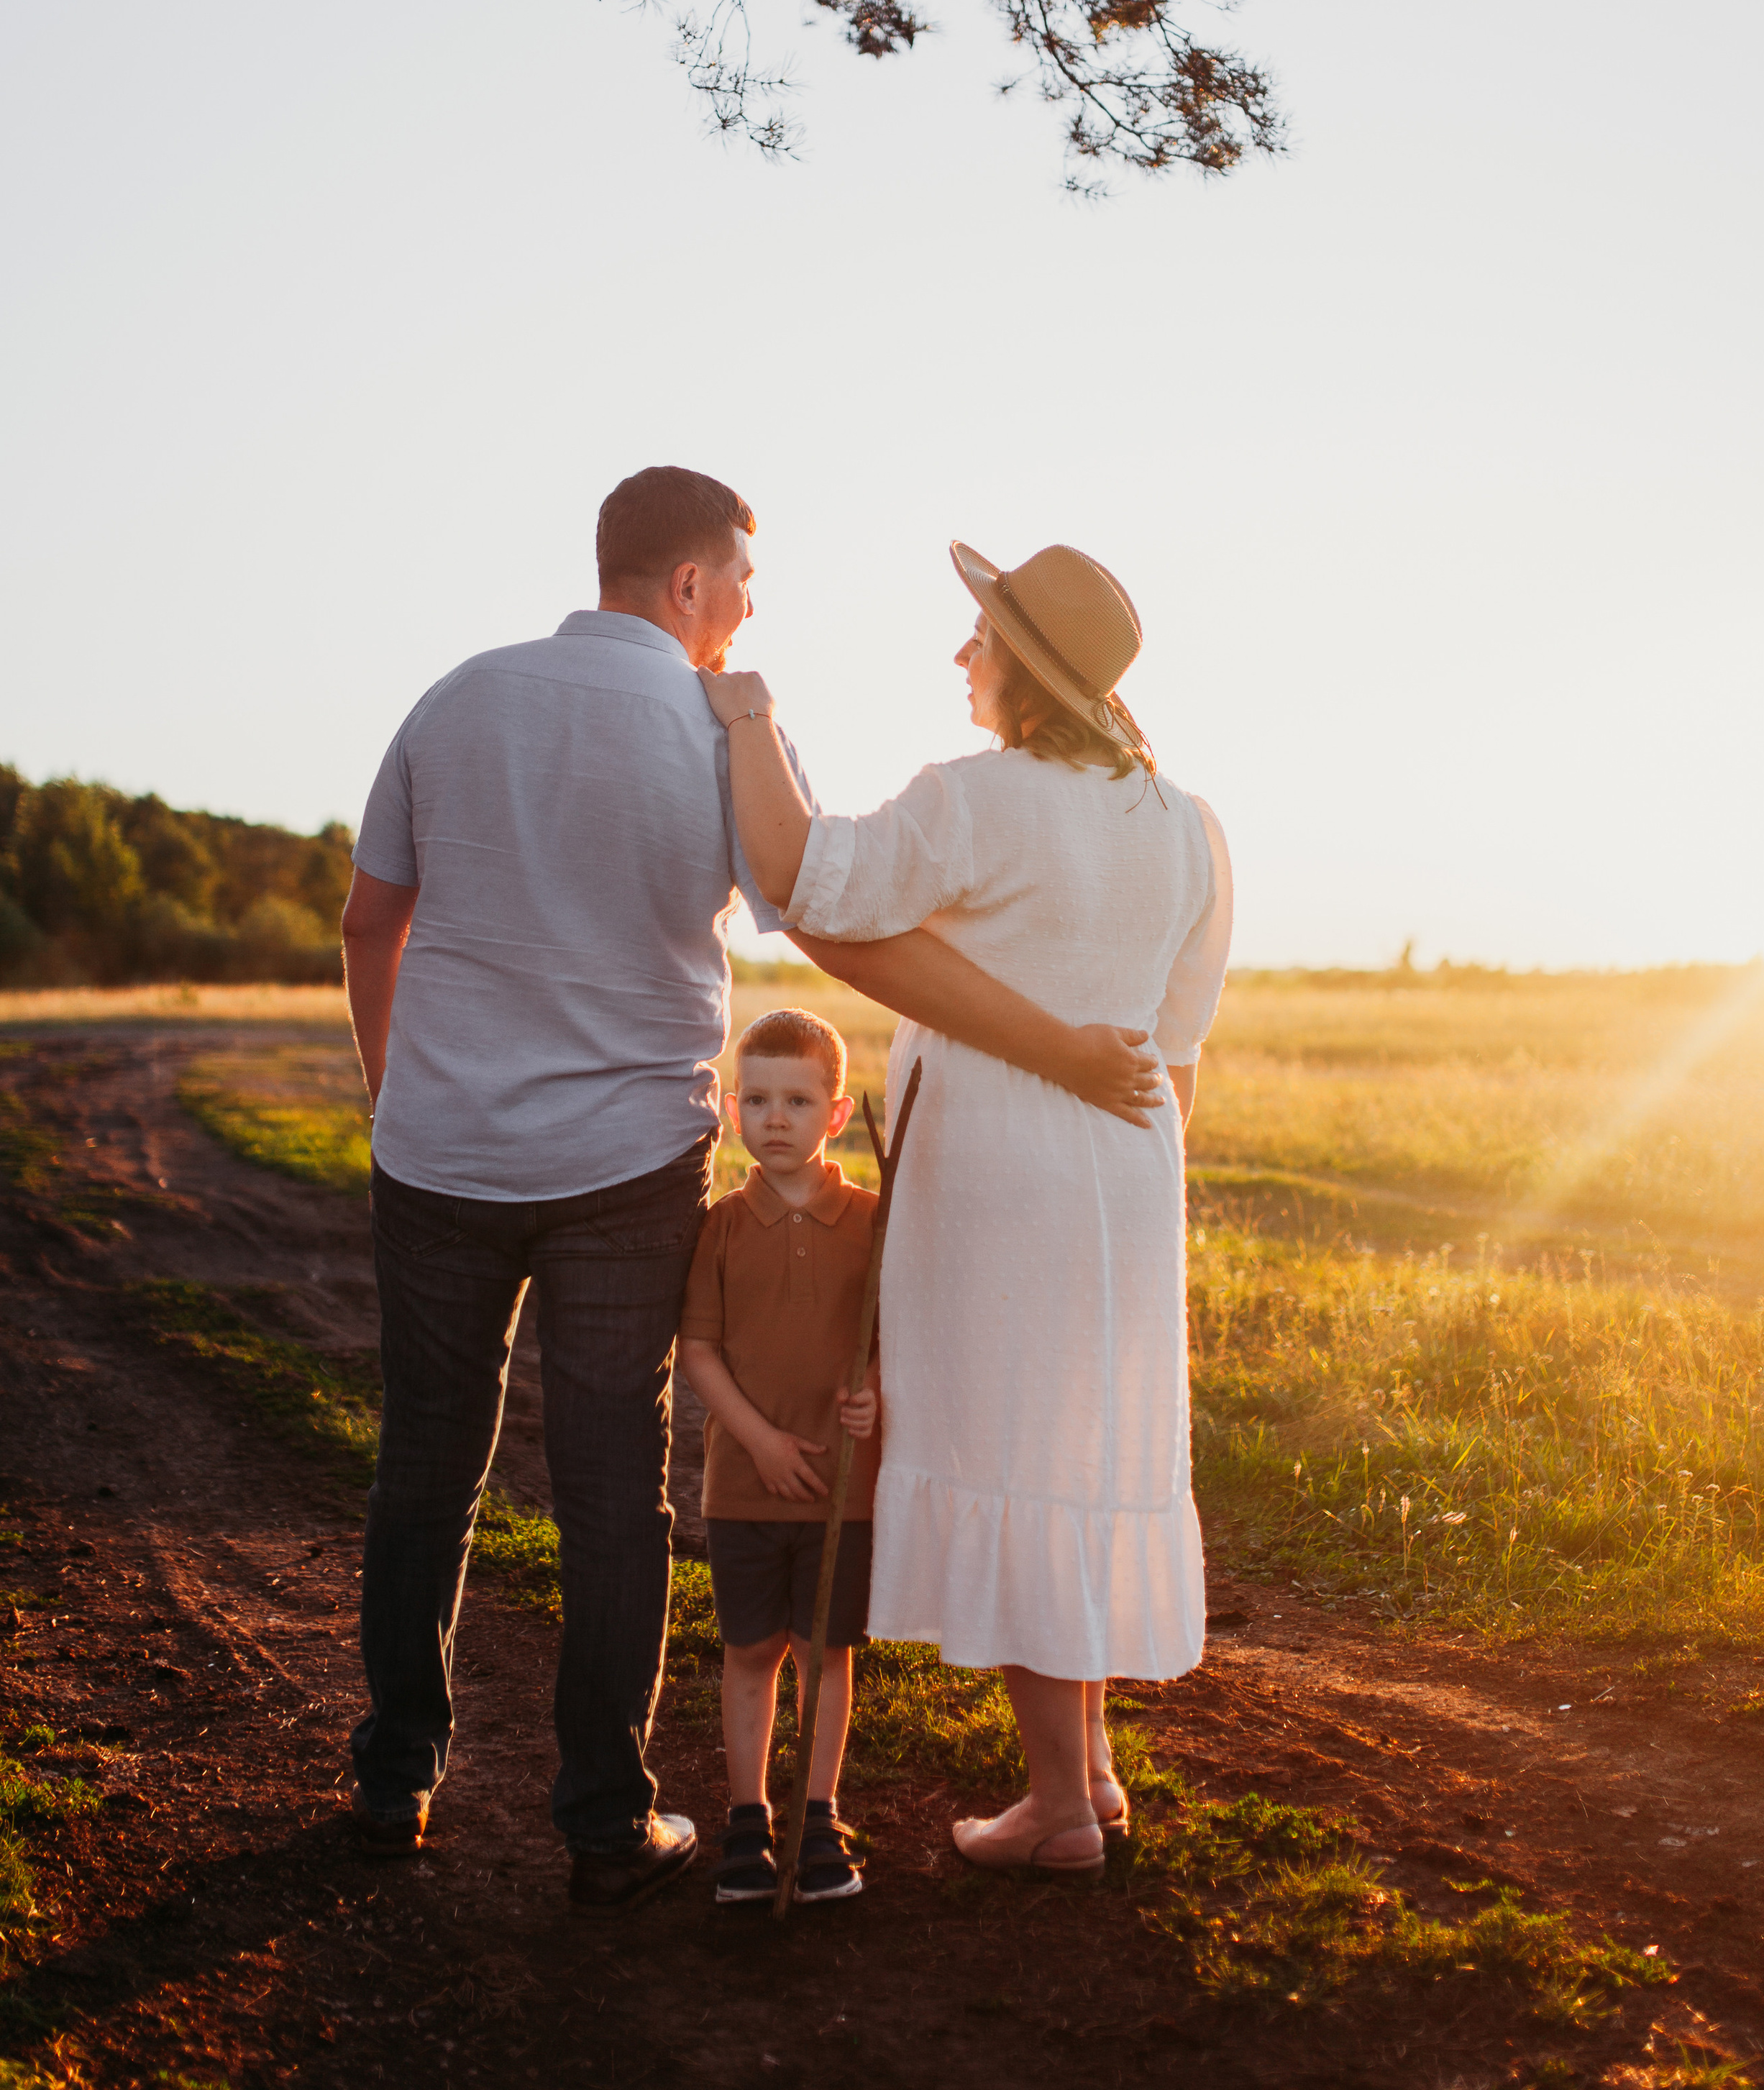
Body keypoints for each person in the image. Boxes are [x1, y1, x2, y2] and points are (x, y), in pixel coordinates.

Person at [341, 469, 1169, 1908]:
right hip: (621, 1168)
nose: (746, 615)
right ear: (688, 587)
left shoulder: (453, 697)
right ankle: (605, 1815)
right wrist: (1047, 1042)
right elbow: (832, 929)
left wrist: (394, 1092)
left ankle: (394, 1774)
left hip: (438, 1157)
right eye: (740, 585)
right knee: (607, 1478)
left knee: (426, 1457)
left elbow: (371, 921)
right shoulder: (721, 727)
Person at [703, 537, 1234, 1879]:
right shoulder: (1188, 826)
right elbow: (1177, 1056)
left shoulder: (978, 800)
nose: (961, 657)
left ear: (1024, 671)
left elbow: (799, 871)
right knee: (1077, 1459)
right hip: (1129, 1172)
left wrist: (747, 711)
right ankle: (1093, 1777)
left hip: (1003, 1170)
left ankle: (1057, 1810)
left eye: (978, 637)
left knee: (1014, 1458)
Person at [677, 1007, 878, 1905]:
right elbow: (700, 1351)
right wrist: (756, 1440)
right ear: (729, 1108)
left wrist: (883, 1391)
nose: (776, 1118)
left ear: (836, 1113)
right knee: (753, 1648)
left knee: (825, 1650)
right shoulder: (720, 1226)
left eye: (797, 1100)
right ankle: (748, 1821)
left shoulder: (875, 1222)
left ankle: (820, 1817)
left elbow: (896, 1339)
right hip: (743, 1483)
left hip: (844, 1488)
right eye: (756, 1099)